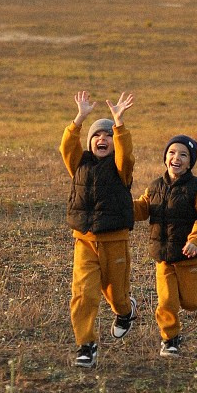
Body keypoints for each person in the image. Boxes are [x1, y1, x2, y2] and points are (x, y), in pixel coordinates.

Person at [60, 89, 137, 369]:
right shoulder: (79, 163)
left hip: (115, 241)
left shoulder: (120, 169)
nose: (102, 139)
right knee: (84, 293)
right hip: (85, 241)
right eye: (97, 136)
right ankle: (86, 344)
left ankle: (125, 312)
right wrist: (79, 119)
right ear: (90, 142)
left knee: (116, 294)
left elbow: (126, 154)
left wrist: (119, 124)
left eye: (107, 136)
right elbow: (67, 147)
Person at [133, 134, 197, 358]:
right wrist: (121, 206)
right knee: (167, 301)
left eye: (183, 155)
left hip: (190, 256)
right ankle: (170, 339)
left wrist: (195, 240)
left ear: (190, 163)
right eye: (171, 153)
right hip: (164, 256)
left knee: (193, 302)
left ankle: (185, 298)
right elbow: (141, 208)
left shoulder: (196, 189)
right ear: (165, 158)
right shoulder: (155, 187)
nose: (176, 158)